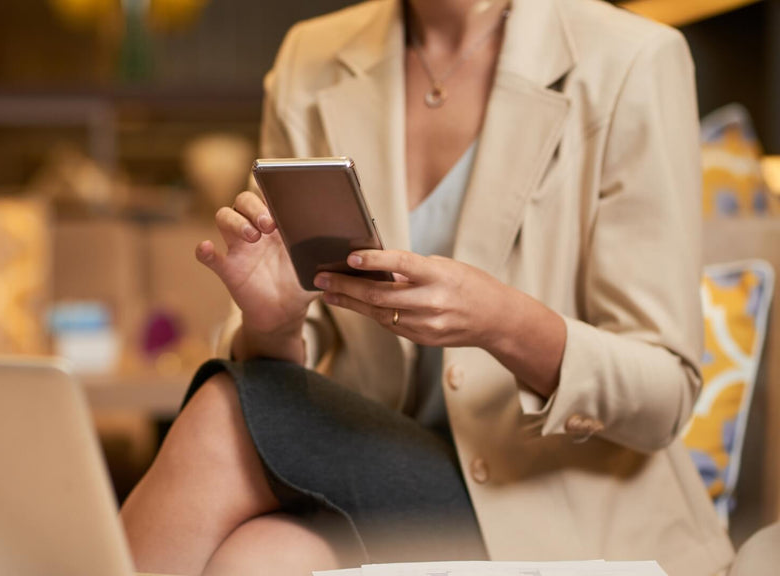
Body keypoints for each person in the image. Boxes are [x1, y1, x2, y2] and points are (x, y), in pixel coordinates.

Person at [121, 0, 735, 574]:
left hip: (561, 502)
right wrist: (273, 322)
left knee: (225, 416)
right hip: (382, 473)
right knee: (262, 556)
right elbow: (288, 355)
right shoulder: (308, 58)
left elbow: (665, 395)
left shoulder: (632, 58)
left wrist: (503, 321)